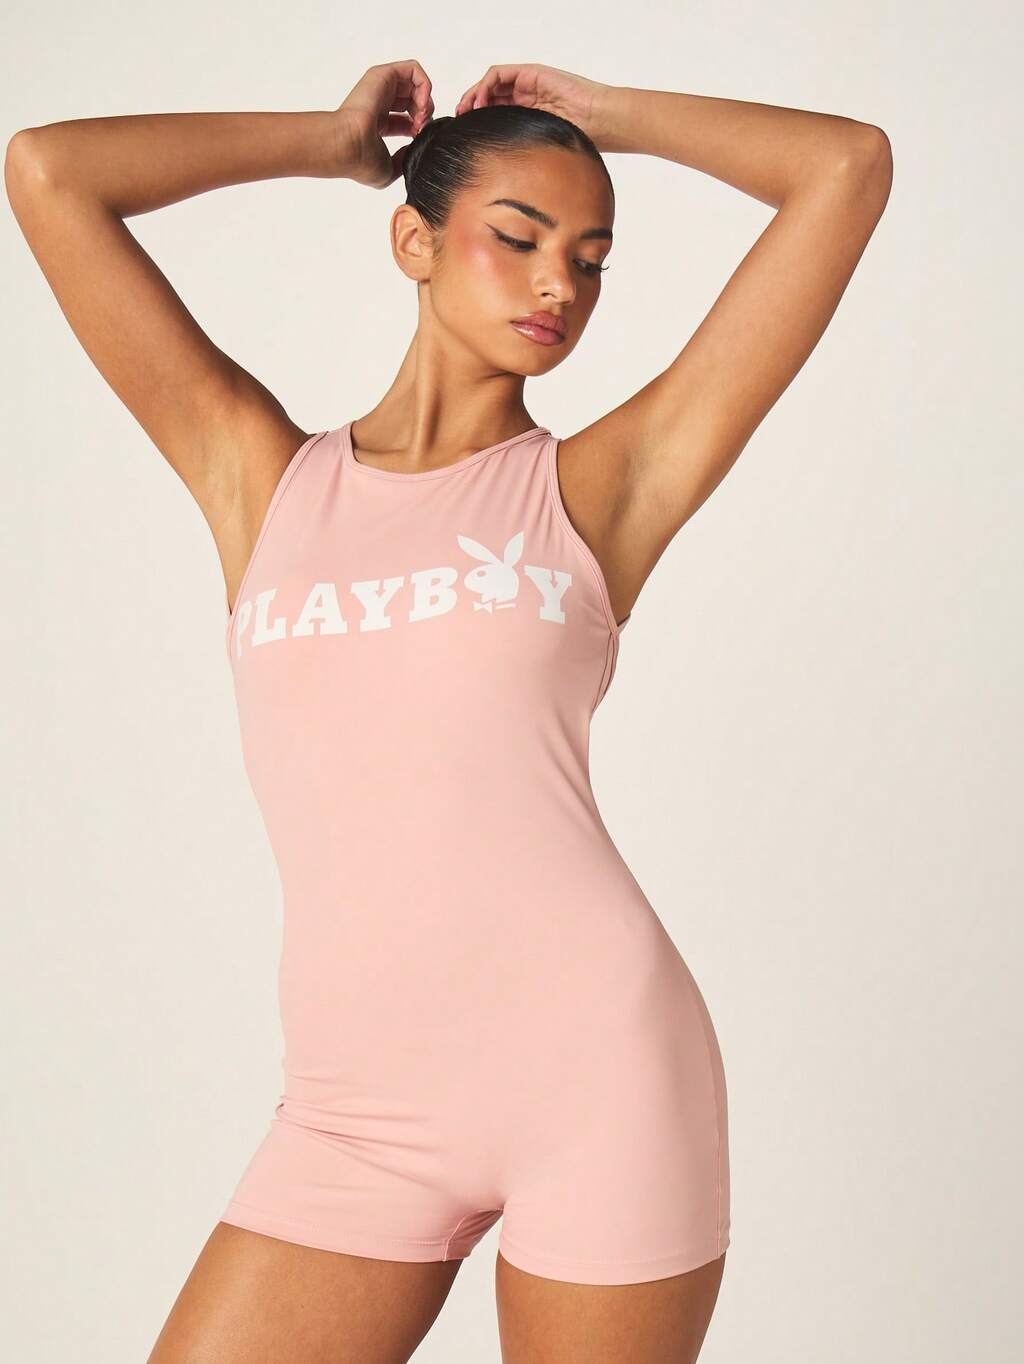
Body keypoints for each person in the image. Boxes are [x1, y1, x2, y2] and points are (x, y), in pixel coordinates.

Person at [5, 58, 892, 1364]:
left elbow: (845, 167)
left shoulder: (598, 488)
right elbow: (47, 172)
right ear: (413, 242)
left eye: (591, 257)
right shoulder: (258, 478)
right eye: (517, 238)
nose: (558, 286)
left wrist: (609, 117)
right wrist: (326, 140)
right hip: (352, 1115)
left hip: (597, 1081)